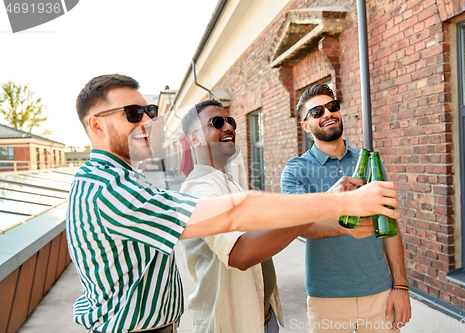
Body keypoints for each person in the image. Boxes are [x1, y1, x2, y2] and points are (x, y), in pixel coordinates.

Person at [67, 74, 401, 333]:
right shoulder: (119, 187)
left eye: (149, 111)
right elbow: (240, 239)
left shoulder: (140, 180)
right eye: (133, 112)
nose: (146, 122)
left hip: (248, 317)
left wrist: (337, 223)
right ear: (95, 124)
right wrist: (333, 203)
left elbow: (258, 223)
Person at [179, 100, 375, 333]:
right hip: (232, 324)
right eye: (217, 122)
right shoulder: (199, 188)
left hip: (263, 317)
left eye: (230, 121)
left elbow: (269, 232)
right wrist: (327, 204)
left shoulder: (228, 182)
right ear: (195, 138)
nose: (229, 127)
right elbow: (240, 254)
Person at [281, 84, 412, 332]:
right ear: (305, 126)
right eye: (317, 112)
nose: (327, 113)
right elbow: (299, 225)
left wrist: (401, 285)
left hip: (379, 292)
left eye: (332, 107)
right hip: (328, 297)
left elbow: (390, 225)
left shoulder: (368, 160)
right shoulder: (296, 169)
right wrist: (346, 223)